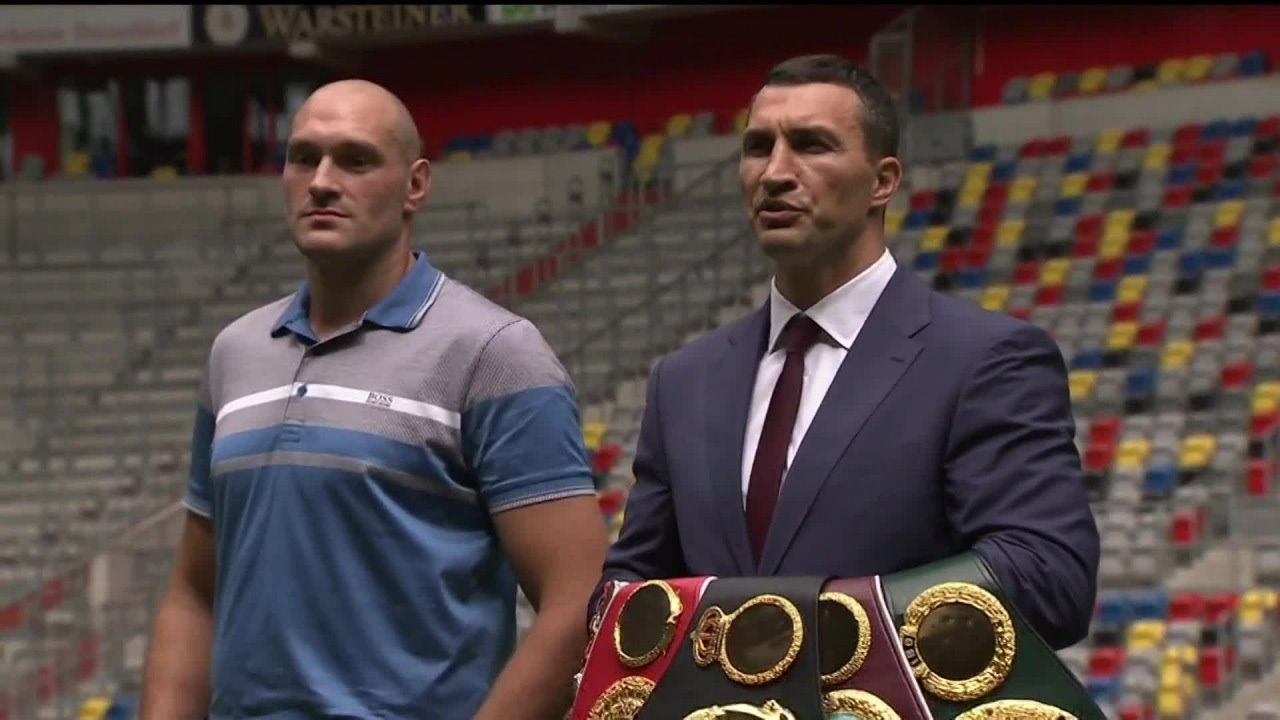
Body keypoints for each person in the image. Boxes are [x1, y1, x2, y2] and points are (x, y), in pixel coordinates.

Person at [140, 79, 609, 719]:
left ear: (416, 185)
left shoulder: (495, 354)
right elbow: (195, 594)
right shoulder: (234, 353)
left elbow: (580, 601)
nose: (321, 182)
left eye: (354, 160)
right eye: (303, 158)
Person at [598, 54, 1100, 650]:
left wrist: (817, 629)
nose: (774, 173)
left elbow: (1048, 578)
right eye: (758, 147)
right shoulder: (684, 380)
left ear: (882, 182)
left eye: (811, 145)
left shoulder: (986, 360)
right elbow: (633, 582)